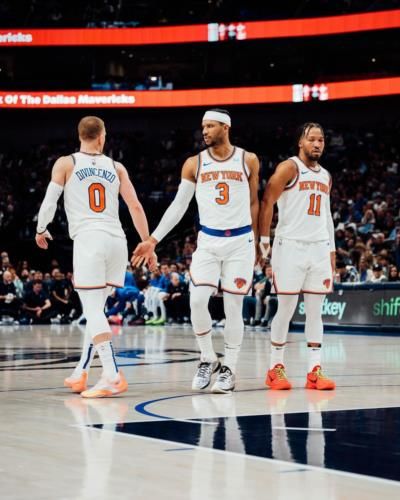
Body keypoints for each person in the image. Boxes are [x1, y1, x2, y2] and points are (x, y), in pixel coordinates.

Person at [132, 108, 260, 393]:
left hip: (240, 242)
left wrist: (258, 240)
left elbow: (254, 202)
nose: (204, 131)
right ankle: (207, 357)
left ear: (225, 127)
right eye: (203, 126)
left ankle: (230, 368)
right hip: (208, 242)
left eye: (210, 126)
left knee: (233, 306)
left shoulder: (248, 159)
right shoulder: (194, 163)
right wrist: (153, 239)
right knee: (197, 300)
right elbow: (179, 206)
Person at [35, 115, 154, 398]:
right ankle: (81, 371)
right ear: (102, 137)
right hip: (117, 239)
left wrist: (41, 228)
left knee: (91, 310)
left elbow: (50, 200)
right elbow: (135, 206)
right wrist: (148, 242)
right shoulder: (117, 166)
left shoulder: (66, 163)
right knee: (97, 311)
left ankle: (112, 375)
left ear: (80, 136)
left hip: (90, 239)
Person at [259, 122, 335, 391]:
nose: (317, 144)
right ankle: (275, 368)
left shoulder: (325, 175)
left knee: (316, 312)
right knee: (286, 309)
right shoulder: (289, 167)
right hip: (289, 246)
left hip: (317, 247)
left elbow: (326, 215)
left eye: (321, 140)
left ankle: (314, 370)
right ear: (300, 143)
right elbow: (267, 200)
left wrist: (331, 249)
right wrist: (264, 240)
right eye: (312, 139)